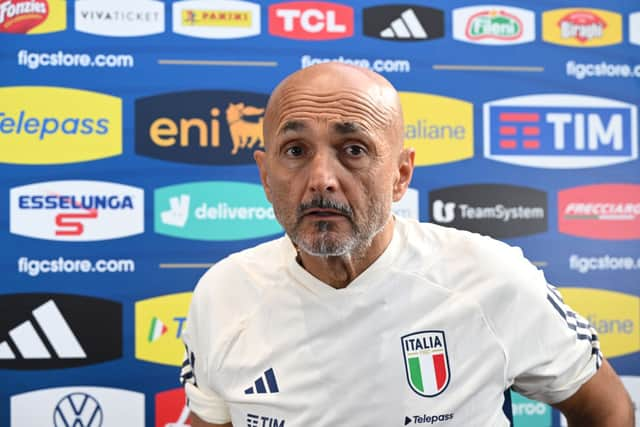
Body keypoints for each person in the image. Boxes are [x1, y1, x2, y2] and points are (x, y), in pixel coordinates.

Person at [180, 63, 634, 426]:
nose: (321, 180)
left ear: (400, 175)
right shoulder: (223, 294)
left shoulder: (492, 278)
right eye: (295, 151)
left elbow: (606, 410)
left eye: (353, 149)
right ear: (264, 175)